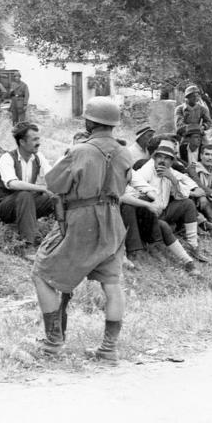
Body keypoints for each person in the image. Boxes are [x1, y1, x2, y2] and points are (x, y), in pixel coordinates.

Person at [31, 97, 132, 361]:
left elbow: (54, 184)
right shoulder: (124, 152)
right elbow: (124, 186)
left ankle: (53, 342)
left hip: (81, 218)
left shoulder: (79, 151)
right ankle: (108, 349)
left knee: (41, 272)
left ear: (89, 122)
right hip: (113, 219)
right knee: (112, 284)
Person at [129, 139, 206, 252]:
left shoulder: (169, 171)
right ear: (154, 158)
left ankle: (193, 244)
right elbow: (132, 193)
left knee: (188, 203)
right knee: (164, 226)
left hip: (163, 211)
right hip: (148, 215)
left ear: (171, 162)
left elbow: (184, 186)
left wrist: (173, 179)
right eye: (159, 157)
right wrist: (192, 193)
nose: (162, 160)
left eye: (166, 158)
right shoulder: (146, 170)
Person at [0, 123, 54, 260]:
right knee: (25, 194)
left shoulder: (38, 157)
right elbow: (12, 183)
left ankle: (58, 240)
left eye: (38, 138)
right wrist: (41, 188)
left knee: (54, 197)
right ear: (22, 142)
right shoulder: (7, 158)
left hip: (26, 204)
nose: (38, 143)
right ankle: (27, 246)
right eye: (34, 139)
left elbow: (52, 176)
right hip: (5, 207)